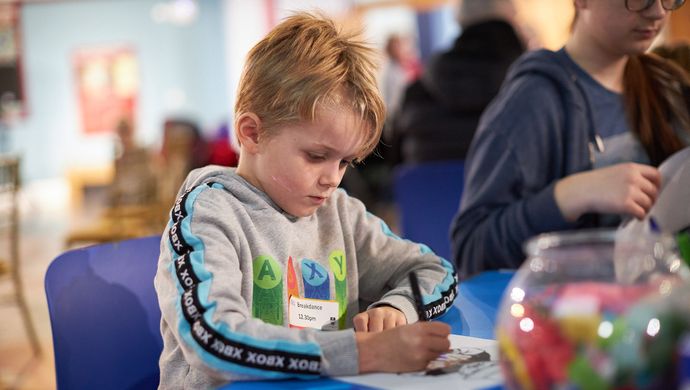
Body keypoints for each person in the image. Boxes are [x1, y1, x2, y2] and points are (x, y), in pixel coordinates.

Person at [154, 12, 457, 388]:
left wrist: (397, 306)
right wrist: (363, 353)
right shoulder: (208, 214)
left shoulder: (339, 212)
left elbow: (435, 271)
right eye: (316, 156)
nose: (332, 178)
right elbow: (212, 337)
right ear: (252, 134)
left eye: (345, 161)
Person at [450, 0, 690, 278]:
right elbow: (472, 248)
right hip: (578, 314)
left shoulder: (666, 85)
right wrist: (569, 195)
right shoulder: (533, 101)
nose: (658, 11)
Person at [388, 0, 526, 164]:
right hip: (504, 186)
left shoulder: (417, 90)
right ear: (509, 22)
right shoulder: (528, 85)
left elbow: (394, 160)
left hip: (430, 187)